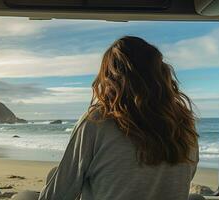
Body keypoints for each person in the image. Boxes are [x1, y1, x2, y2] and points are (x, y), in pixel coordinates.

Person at [37, 36, 199, 200]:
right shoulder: (185, 124)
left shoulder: (97, 121)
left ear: (110, 78)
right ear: (161, 74)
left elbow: (57, 195)